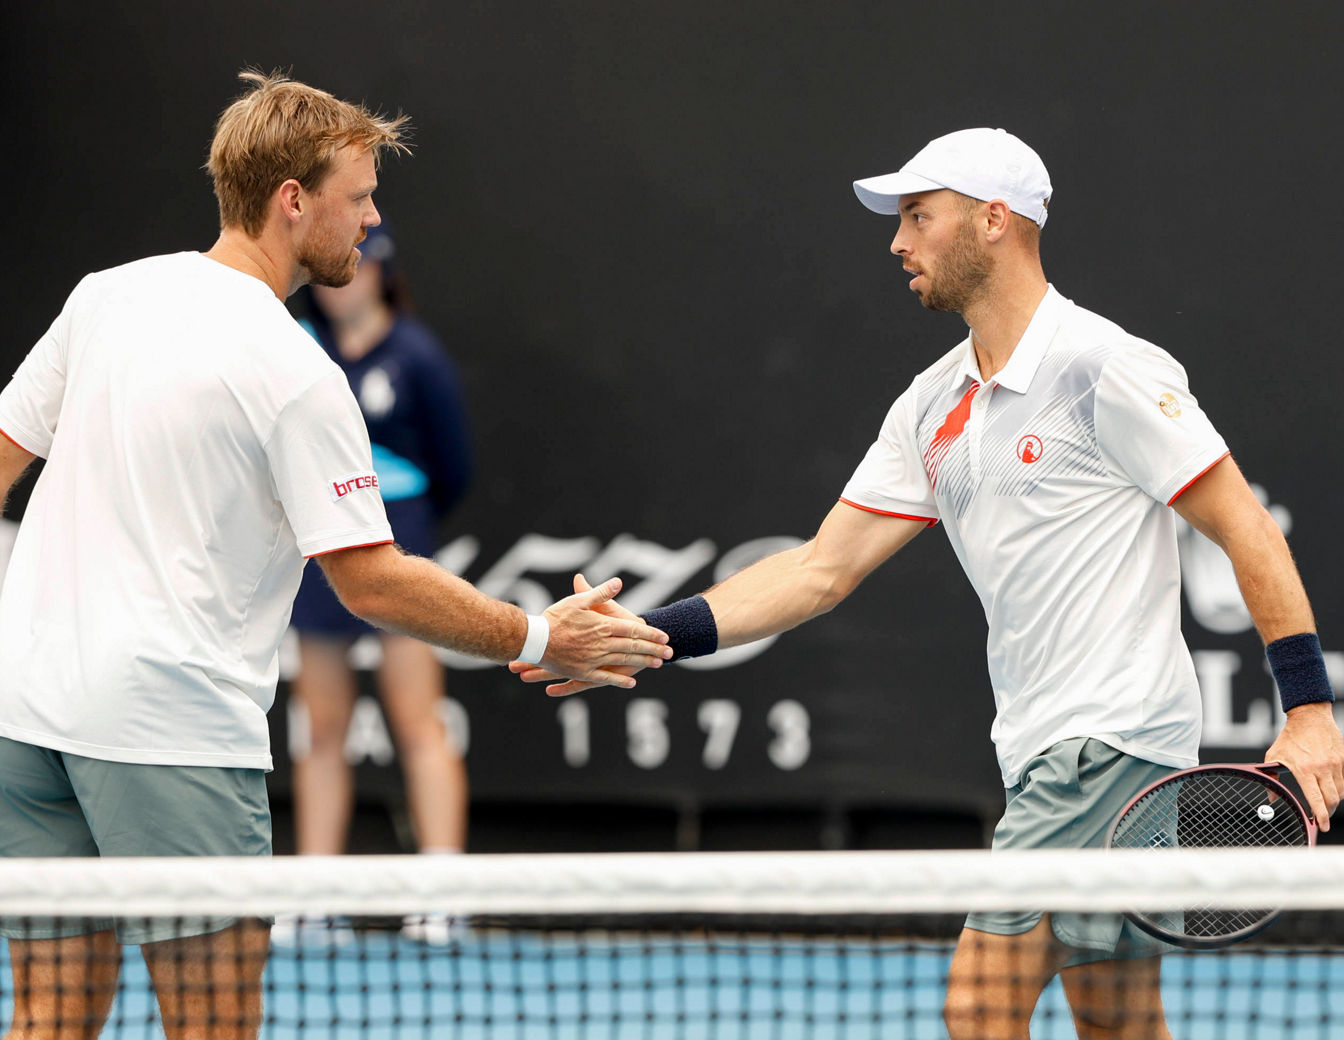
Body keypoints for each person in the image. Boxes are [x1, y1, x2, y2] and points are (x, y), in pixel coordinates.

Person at [515, 128, 1344, 1040]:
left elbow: (1243, 526)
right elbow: (819, 569)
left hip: (1105, 746)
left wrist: (1307, 708)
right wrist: (653, 633)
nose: (899, 242)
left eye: (920, 217)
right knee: (1119, 1025)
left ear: (995, 221)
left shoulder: (1102, 367)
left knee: (977, 1010)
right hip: (1039, 745)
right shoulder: (931, 403)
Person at [0, 70, 670, 1040]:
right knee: (214, 1025)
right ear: (292, 200)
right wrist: (536, 635)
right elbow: (371, 578)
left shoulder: (107, 297)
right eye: (358, 196)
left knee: (49, 1018)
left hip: (28, 719)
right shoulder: (296, 371)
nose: (372, 216)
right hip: (169, 733)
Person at [288, 220, 472, 867]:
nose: (346, 282)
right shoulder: (300, 350)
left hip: (403, 541)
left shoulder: (417, 354)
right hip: (320, 550)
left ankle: (442, 889)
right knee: (321, 729)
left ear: (383, 272)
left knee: (421, 721)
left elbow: (453, 465)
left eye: (361, 266)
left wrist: (404, 517)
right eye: (335, 269)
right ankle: (315, 895)